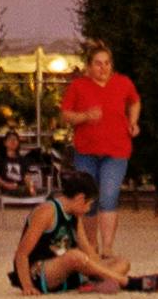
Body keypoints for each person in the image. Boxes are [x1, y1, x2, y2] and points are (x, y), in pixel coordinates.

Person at [11, 163, 158, 295]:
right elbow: (22, 253)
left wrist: (101, 268)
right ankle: (129, 283)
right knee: (74, 256)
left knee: (122, 262)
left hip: (68, 270)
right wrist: (27, 286)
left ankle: (95, 284)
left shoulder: (74, 215)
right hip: (40, 272)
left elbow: (88, 251)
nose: (89, 209)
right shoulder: (46, 212)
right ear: (80, 199)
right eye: (89, 203)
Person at [58, 40, 140, 258]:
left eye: (106, 63)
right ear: (89, 67)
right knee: (89, 200)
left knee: (109, 196)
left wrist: (133, 122)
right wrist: (85, 116)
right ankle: (91, 245)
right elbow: (65, 114)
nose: (103, 68)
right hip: (86, 152)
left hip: (116, 151)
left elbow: (134, 101)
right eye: (98, 64)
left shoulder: (123, 83)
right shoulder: (78, 87)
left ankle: (108, 247)